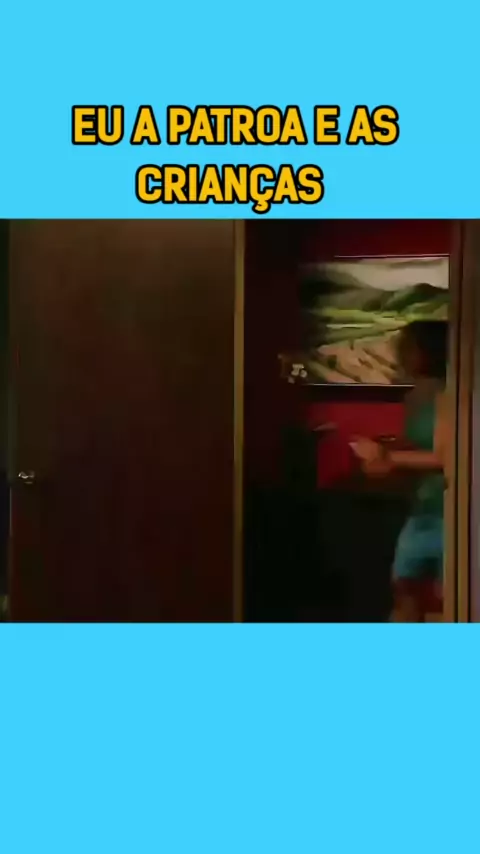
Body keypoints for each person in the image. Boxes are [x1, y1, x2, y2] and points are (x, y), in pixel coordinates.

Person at [350, 320, 449, 622]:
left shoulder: (451, 395)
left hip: (449, 510)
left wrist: (389, 457)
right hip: (422, 507)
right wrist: (385, 455)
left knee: (449, 596)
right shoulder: (415, 395)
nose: (399, 353)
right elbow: (418, 446)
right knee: (404, 588)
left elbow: (446, 458)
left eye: (408, 346)